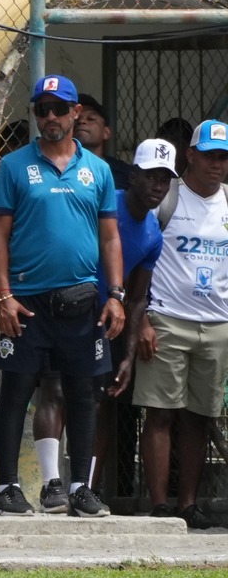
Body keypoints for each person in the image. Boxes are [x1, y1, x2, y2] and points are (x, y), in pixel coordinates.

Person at [0, 74, 124, 517]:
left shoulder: (97, 171)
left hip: (81, 301)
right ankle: (9, 487)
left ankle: (82, 487)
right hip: (25, 302)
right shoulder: (14, 167)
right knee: (16, 391)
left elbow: (109, 238)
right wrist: (2, 295)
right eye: (41, 109)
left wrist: (116, 294)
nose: (50, 117)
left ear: (75, 114)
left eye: (59, 109)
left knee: (83, 393)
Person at [127, 122, 228, 527]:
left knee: (199, 417)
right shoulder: (165, 199)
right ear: (190, 155)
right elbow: (138, 258)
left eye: (223, 157)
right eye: (209, 156)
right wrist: (145, 320)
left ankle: (187, 505)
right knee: (160, 413)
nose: (217, 165)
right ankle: (159, 506)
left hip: (217, 324)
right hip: (166, 319)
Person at [96, 138, 175, 511]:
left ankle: (89, 489)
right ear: (133, 176)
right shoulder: (103, 200)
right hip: (71, 311)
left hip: (112, 322)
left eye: (165, 180)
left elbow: (139, 298)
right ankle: (58, 485)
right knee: (61, 397)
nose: (158, 187)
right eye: (151, 177)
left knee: (106, 405)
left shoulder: (153, 235)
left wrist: (127, 357)